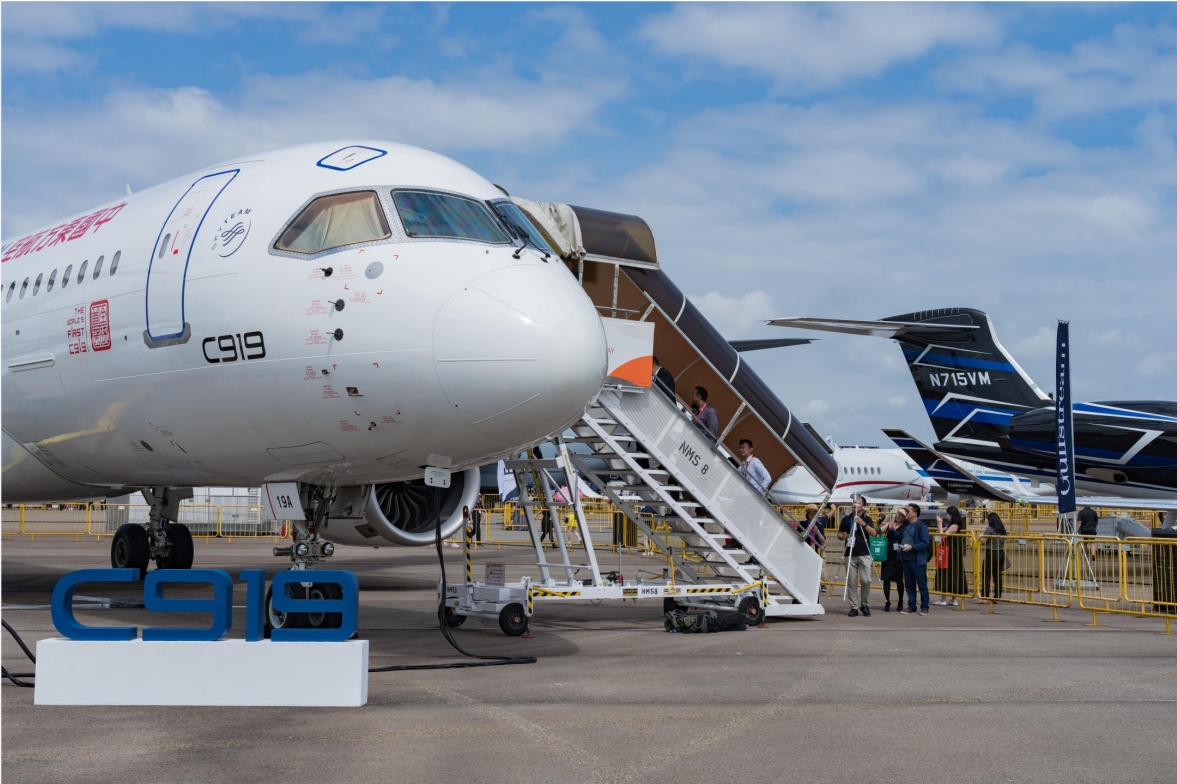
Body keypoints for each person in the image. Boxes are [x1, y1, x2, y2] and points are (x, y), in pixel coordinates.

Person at [837, 496, 876, 617]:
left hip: (864, 553)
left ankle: (864, 604)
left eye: (858, 503)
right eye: (853, 503)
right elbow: (839, 534)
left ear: (863, 506)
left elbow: (873, 533)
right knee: (851, 581)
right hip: (850, 553)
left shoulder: (867, 519)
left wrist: (862, 523)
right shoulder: (846, 519)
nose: (855, 505)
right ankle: (853, 607)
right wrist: (843, 536)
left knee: (866, 580)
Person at [899, 503, 931, 615]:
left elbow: (925, 542)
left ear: (915, 513)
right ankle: (911, 606)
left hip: (917, 560)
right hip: (906, 559)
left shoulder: (921, 526)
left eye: (908, 511)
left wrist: (912, 547)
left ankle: (925, 607)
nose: (906, 513)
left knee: (922, 585)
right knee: (909, 585)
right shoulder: (906, 525)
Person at [933, 506, 969, 606]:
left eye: (947, 514)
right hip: (952, 553)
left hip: (951, 553)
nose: (946, 516)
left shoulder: (954, 526)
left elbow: (942, 535)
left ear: (952, 515)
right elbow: (940, 531)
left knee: (948, 573)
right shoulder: (951, 525)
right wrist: (939, 523)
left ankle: (944, 599)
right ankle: (953, 599)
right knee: (952, 573)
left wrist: (940, 522)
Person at [880, 510, 906, 612]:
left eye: (901, 515)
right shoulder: (890, 523)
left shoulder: (905, 526)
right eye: (898, 514)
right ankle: (887, 601)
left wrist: (892, 530)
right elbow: (879, 530)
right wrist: (880, 524)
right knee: (886, 578)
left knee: (899, 580)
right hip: (888, 553)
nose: (898, 516)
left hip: (898, 554)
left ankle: (900, 601)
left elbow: (901, 536)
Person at [979, 511, 1007, 599]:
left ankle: (985, 596)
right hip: (1001, 553)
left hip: (991, 553)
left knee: (986, 575)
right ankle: (997, 596)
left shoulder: (989, 529)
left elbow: (984, 541)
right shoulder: (1002, 529)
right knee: (997, 575)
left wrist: (980, 536)